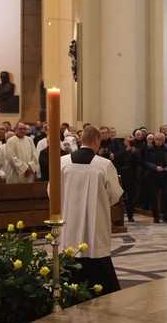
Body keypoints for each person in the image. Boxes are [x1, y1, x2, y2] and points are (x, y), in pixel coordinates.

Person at [59, 125, 124, 295]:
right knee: (96, 253)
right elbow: (115, 194)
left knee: (70, 252)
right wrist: (99, 203)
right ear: (96, 140)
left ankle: (69, 291)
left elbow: (53, 192)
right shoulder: (104, 164)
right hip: (97, 219)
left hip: (69, 219)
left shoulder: (62, 162)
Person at [145, 132, 167, 223]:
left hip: (164, 175)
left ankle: (166, 216)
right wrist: (155, 167)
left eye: (160, 139)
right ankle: (156, 216)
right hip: (153, 175)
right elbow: (146, 162)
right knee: (153, 196)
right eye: (156, 139)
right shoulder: (150, 149)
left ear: (163, 140)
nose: (157, 141)